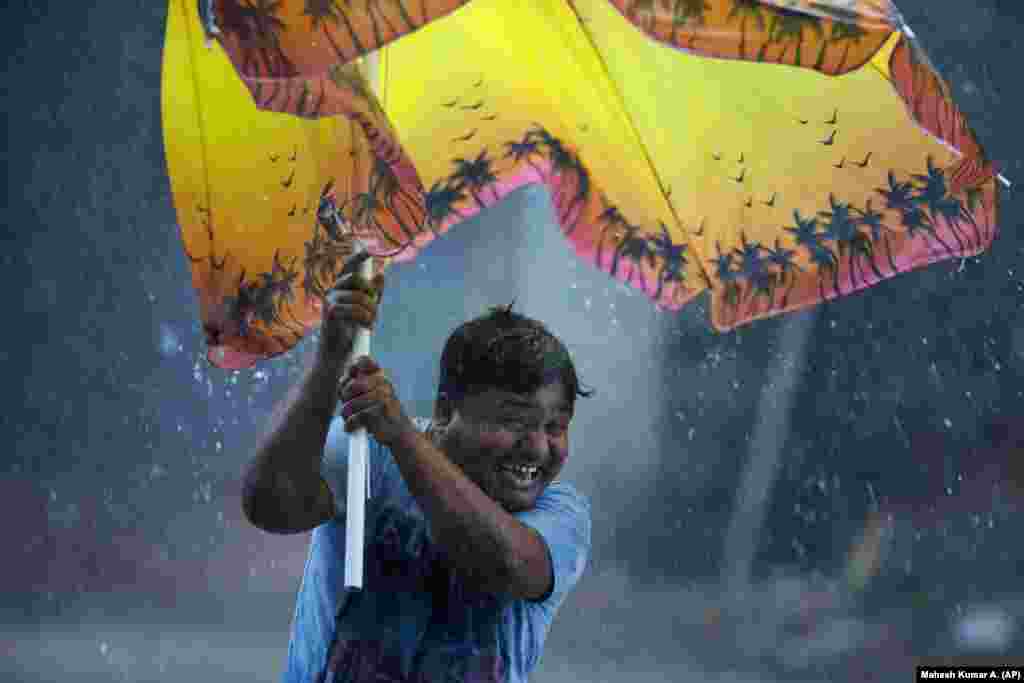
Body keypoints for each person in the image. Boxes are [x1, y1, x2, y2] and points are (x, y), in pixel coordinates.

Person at [241, 253, 594, 683]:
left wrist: (403, 437)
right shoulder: (366, 451)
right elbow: (267, 505)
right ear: (446, 412)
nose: (538, 448)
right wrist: (329, 359)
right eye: (514, 422)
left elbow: (509, 567)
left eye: (555, 427)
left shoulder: (561, 513)